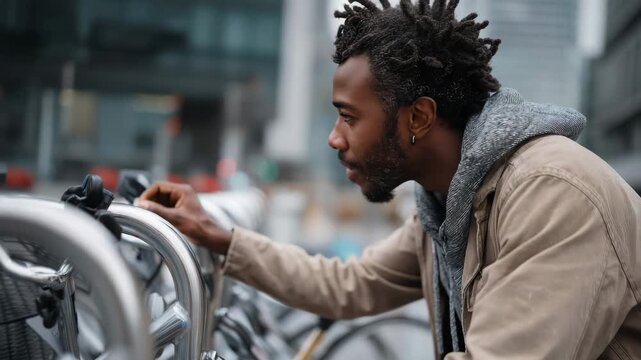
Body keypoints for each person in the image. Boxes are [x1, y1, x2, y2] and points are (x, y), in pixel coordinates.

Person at [137, 0, 641, 358]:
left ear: (418, 118)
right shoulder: (447, 205)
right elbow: (348, 285)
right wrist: (216, 235)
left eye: (349, 117)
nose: (334, 139)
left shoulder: (553, 193)